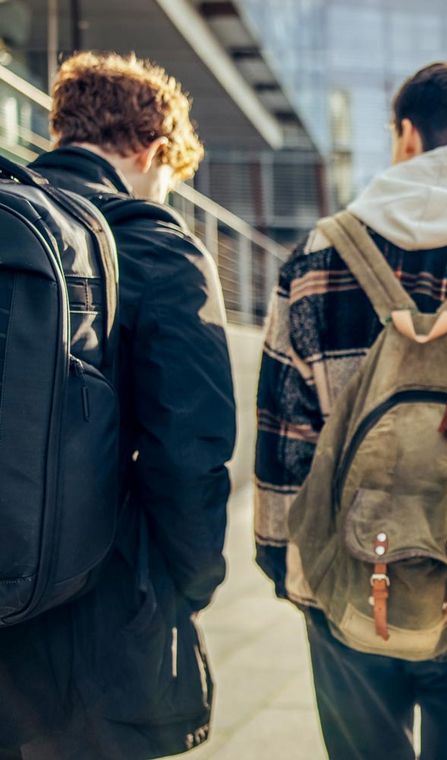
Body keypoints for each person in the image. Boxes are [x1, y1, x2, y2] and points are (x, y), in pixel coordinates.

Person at [254, 62, 447, 760]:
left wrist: (285, 566)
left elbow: (282, 429)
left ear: (406, 135)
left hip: (346, 583)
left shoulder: (318, 256)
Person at [0, 52, 235, 757]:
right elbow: (190, 450)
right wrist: (190, 585)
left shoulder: (14, 224)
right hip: (98, 618)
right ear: (156, 149)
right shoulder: (158, 244)